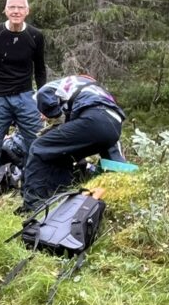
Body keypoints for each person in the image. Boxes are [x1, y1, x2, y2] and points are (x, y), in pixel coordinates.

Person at [0, 0, 46, 208]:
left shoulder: (35, 36)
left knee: (37, 146)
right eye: (11, 7)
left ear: (27, 11)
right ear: (5, 10)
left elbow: (40, 70)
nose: (16, 11)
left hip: (26, 97)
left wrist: (43, 101)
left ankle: (34, 198)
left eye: (20, 7)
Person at [19, 75, 125, 213]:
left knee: (39, 147)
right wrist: (121, 166)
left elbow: (47, 101)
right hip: (115, 124)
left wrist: (51, 114)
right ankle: (61, 199)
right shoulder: (93, 88)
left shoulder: (51, 87)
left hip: (93, 118)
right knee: (63, 153)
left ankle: (33, 205)